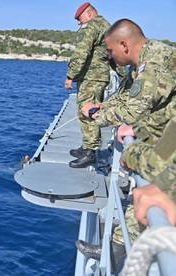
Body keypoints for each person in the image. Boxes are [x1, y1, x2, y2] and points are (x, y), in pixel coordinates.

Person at [76, 18, 176, 270]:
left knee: (155, 184)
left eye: (110, 51)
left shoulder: (153, 63)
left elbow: (134, 109)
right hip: (168, 131)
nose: (110, 56)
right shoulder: (145, 60)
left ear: (124, 44)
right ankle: (114, 249)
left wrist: (94, 115)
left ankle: (117, 250)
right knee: (148, 187)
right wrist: (104, 107)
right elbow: (127, 97)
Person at [65, 2, 111, 168]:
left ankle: (90, 153)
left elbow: (81, 53)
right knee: (87, 111)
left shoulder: (92, 27)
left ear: (89, 13)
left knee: (87, 112)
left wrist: (71, 76)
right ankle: (86, 146)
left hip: (91, 77)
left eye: (79, 18)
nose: (78, 22)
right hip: (99, 77)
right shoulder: (107, 26)